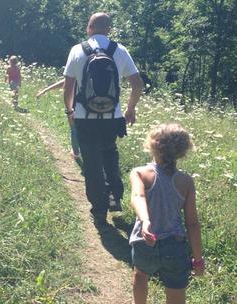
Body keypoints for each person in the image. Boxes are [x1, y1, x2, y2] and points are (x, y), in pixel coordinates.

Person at [63, 12, 143, 223]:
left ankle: (99, 209)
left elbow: (68, 85)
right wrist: (130, 108)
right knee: (109, 153)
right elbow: (137, 83)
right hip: (112, 117)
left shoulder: (77, 50)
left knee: (91, 162)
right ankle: (114, 196)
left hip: (84, 116)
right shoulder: (120, 50)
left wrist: (69, 110)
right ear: (108, 29)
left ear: (89, 27)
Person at [129, 123, 204, 304]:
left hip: (145, 240)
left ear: (152, 146)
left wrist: (145, 220)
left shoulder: (140, 173)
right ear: (183, 151)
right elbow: (192, 224)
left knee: (141, 275)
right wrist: (198, 258)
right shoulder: (186, 181)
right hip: (174, 246)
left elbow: (138, 196)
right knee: (176, 289)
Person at [36, 79, 80, 160]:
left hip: (74, 108)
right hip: (90, 109)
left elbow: (65, 82)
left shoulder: (75, 75)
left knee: (74, 130)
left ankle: (76, 153)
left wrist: (45, 90)